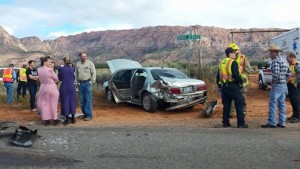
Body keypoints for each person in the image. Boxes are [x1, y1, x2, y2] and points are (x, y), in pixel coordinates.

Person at [216, 47, 248, 128]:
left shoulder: (222, 62)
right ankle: (241, 123)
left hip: (224, 87)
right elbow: (235, 75)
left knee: (226, 105)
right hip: (233, 86)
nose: (235, 54)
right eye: (234, 53)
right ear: (230, 53)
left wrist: (220, 85)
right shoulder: (233, 62)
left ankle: (225, 123)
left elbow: (218, 76)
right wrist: (241, 82)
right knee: (239, 103)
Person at [261, 44, 291, 128]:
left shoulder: (275, 61)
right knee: (282, 104)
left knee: (273, 103)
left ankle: (272, 123)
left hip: (277, 85)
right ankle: (282, 122)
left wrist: (273, 84)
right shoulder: (284, 61)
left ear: (275, 52)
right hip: (284, 85)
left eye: (271, 52)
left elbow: (276, 75)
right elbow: (289, 73)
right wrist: (284, 81)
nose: (270, 54)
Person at [228, 43, 253, 117]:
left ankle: (243, 112)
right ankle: (231, 113)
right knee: (231, 98)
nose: (234, 52)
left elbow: (249, 70)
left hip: (242, 82)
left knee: (242, 98)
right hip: (232, 82)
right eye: (232, 51)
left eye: (235, 50)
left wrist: (241, 75)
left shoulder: (242, 58)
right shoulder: (228, 60)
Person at [37, 56, 59, 126]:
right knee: (53, 103)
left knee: (44, 104)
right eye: (49, 62)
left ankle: (46, 120)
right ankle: (55, 119)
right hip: (51, 87)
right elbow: (56, 78)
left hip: (43, 87)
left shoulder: (39, 69)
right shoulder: (50, 70)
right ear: (45, 62)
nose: (50, 63)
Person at [75, 52, 96, 121]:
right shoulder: (77, 64)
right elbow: (76, 74)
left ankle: (89, 115)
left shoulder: (90, 63)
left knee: (88, 100)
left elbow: (94, 73)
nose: (85, 57)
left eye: (85, 56)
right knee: (82, 100)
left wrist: (91, 82)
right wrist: (77, 83)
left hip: (87, 83)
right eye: (83, 56)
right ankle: (85, 114)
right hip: (80, 84)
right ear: (80, 57)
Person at [58, 57, 76, 125]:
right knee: (72, 101)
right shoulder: (72, 68)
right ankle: (73, 117)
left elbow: (60, 78)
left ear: (64, 61)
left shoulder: (61, 69)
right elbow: (73, 77)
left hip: (64, 86)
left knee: (65, 101)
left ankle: (67, 118)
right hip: (71, 86)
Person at [286, 52, 300, 123]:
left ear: (291, 57)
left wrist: (295, 82)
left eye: (287, 57)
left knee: (296, 101)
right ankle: (294, 115)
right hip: (291, 85)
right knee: (292, 101)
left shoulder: (296, 64)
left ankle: (297, 116)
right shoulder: (291, 65)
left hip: (295, 86)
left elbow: (299, 74)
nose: (287, 59)